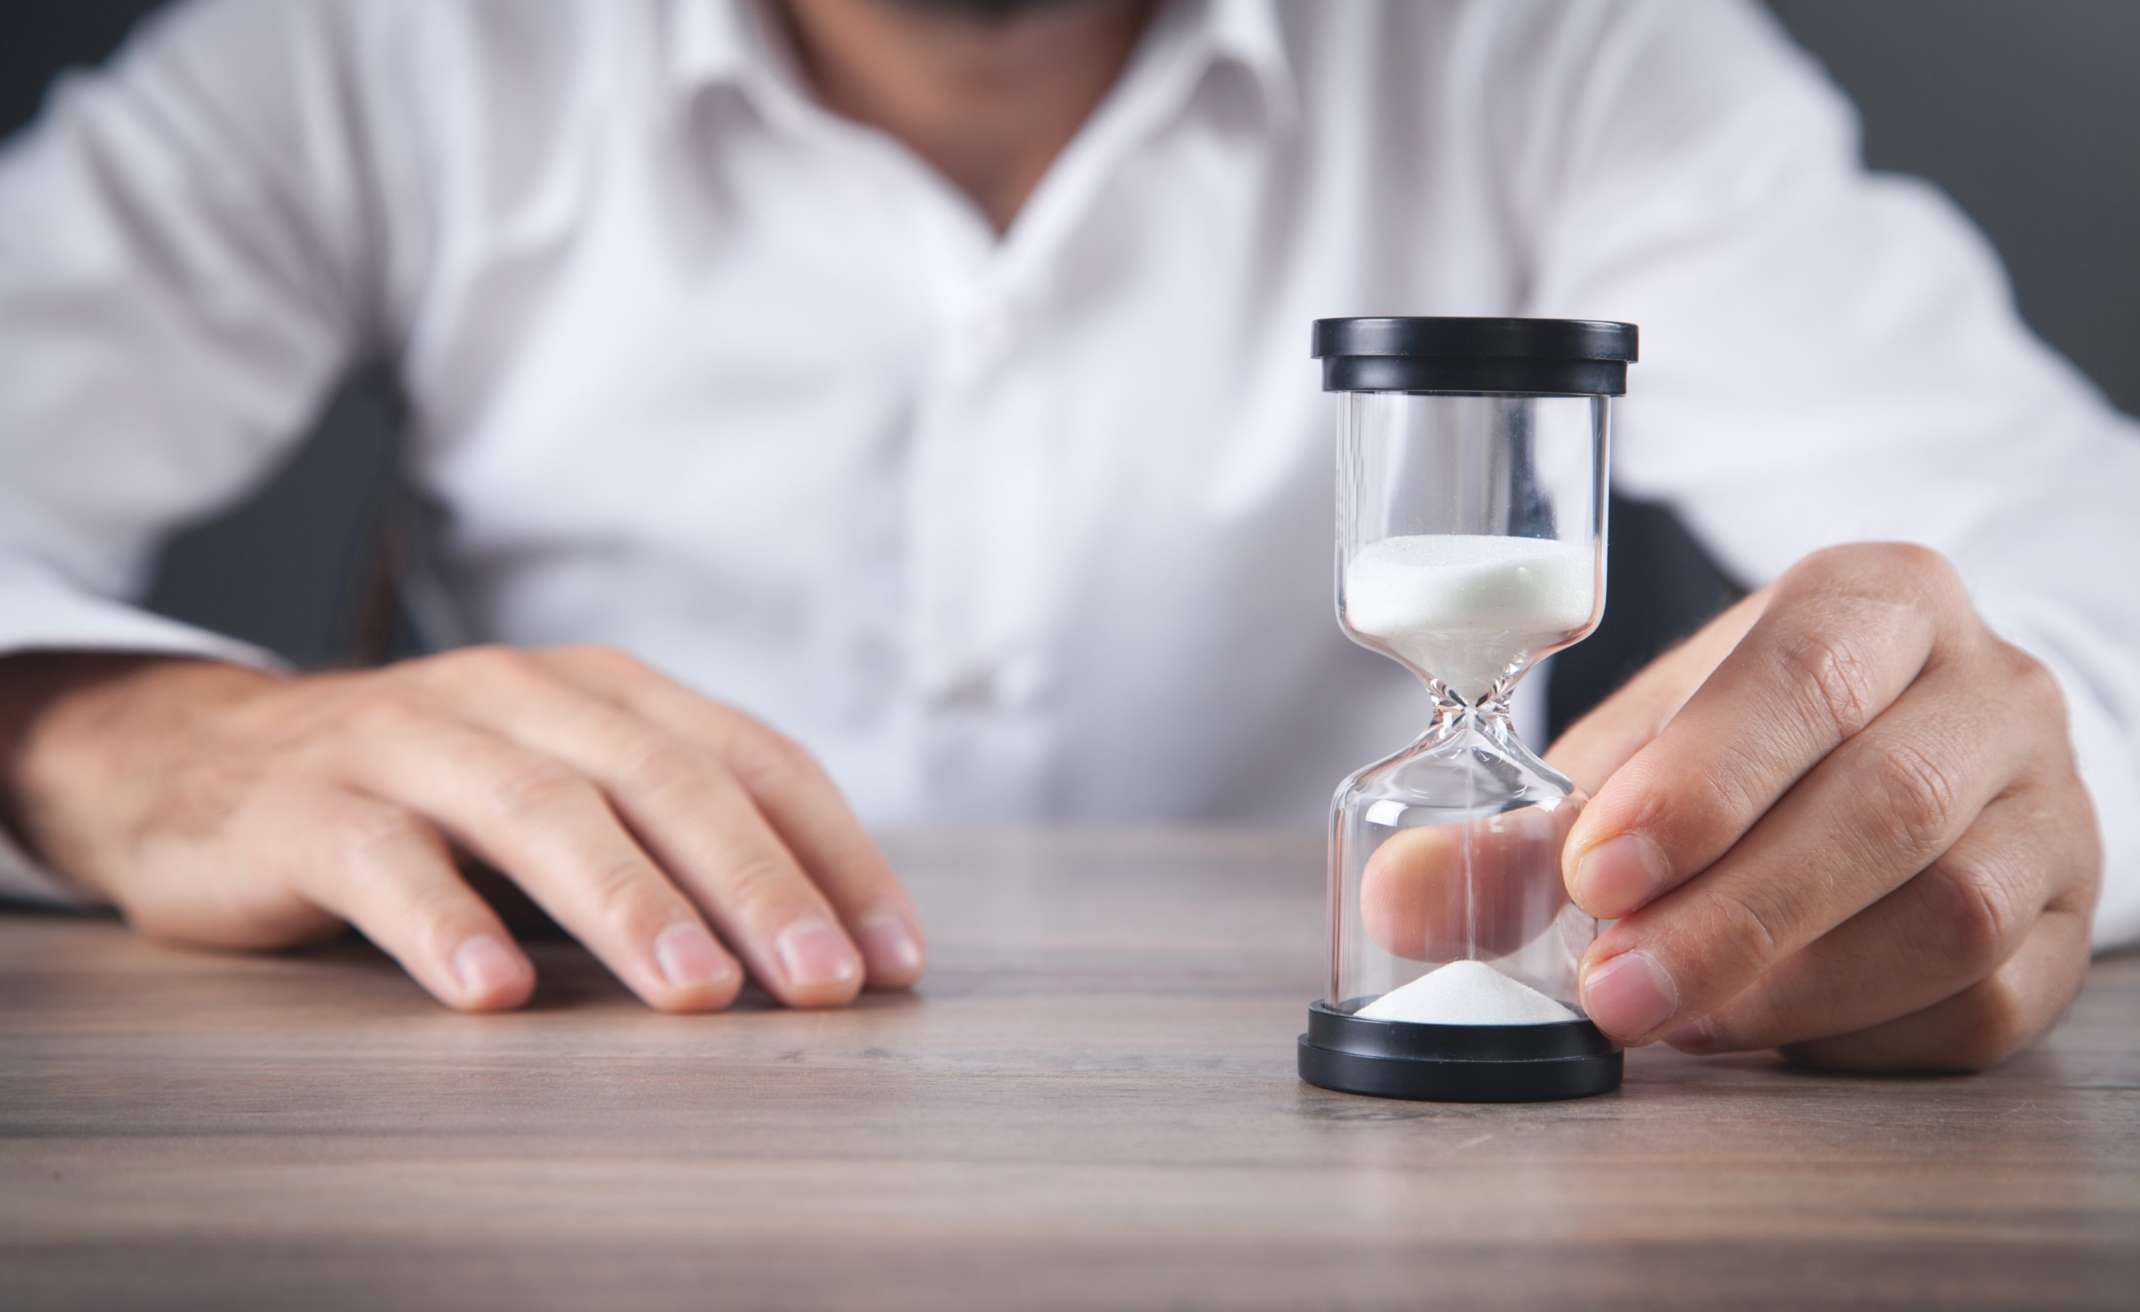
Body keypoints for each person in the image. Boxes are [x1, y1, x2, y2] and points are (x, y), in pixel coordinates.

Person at [0, 0, 2133, 1073]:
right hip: (621, 1141)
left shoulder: (1555, 42)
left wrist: (1986, 766)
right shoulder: (371, 46)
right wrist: (98, 725)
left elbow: (2076, 556)